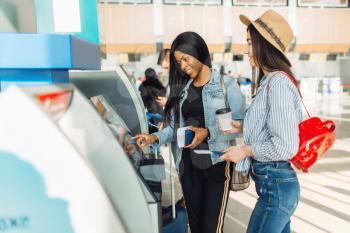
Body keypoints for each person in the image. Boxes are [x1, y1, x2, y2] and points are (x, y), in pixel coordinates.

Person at [134, 31, 246, 233]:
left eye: (186, 59)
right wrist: (154, 137)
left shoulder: (226, 85)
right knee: (195, 228)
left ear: (199, 51)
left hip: (217, 165)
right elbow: (174, 128)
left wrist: (207, 133)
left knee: (211, 229)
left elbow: (240, 125)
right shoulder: (182, 90)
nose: (183, 66)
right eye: (179, 62)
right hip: (188, 167)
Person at [220, 10, 302, 233]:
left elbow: (286, 145)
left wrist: (245, 151)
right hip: (273, 186)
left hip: (276, 188)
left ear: (264, 45)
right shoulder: (268, 82)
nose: (246, 50)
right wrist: (244, 126)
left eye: (249, 43)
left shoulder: (277, 85)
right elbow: (272, 127)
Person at [139, 68, 166, 134]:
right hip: (161, 113)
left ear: (145, 76)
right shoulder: (160, 85)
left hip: (151, 113)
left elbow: (143, 100)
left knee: (152, 134)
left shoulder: (143, 86)